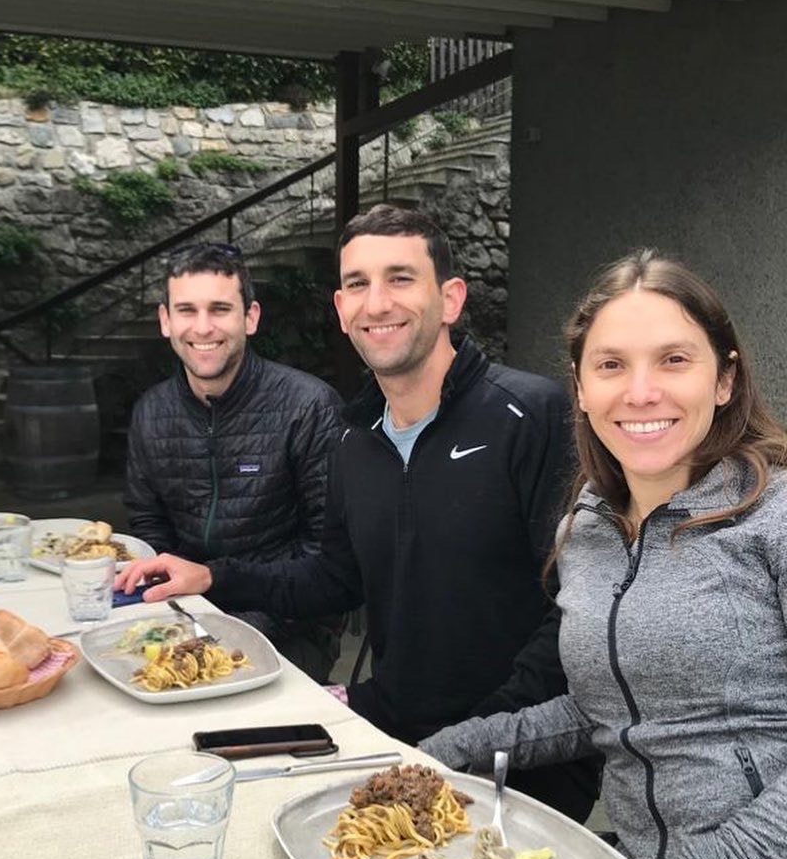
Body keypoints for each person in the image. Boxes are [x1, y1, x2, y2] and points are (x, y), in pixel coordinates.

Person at [117, 205, 600, 823]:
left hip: (522, 757)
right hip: (397, 724)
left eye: (400, 279)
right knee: (205, 782)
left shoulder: (530, 414)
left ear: (450, 299)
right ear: (341, 309)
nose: (376, 304)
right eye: (357, 284)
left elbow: (576, 610)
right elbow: (335, 578)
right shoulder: (354, 436)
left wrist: (472, 738)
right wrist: (212, 576)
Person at [421, 249, 787, 859]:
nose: (641, 391)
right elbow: (604, 707)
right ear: (583, 389)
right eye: (612, 365)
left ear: (724, 379)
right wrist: (442, 752)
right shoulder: (586, 526)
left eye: (674, 360)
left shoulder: (776, 518)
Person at [123, 242, 345, 682]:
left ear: (251, 317)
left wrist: (215, 588)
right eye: (187, 310)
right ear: (166, 321)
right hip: (181, 617)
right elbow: (149, 530)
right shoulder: (150, 413)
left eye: (220, 309)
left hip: (289, 626)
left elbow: (328, 567)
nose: (202, 328)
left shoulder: (310, 408)